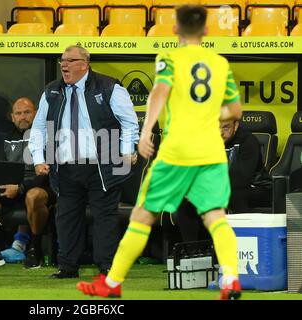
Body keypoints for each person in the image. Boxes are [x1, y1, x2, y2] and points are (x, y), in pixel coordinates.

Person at [76, 5, 243, 300]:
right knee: (216, 216)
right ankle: (230, 278)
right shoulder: (220, 64)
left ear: (176, 29)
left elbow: (160, 92)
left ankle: (112, 283)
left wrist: (145, 130)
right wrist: (209, 114)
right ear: (206, 30)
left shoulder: (170, 57)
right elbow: (235, 111)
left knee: (142, 216)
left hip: (177, 150)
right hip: (212, 152)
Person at [29, 45, 139, 279]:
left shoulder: (109, 87)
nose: (64, 65)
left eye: (70, 60)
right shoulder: (52, 91)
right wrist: (38, 158)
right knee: (66, 217)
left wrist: (127, 150)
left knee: (105, 216)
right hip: (67, 166)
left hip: (103, 165)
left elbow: (129, 123)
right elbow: (39, 127)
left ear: (84, 63)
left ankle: (107, 267)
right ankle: (68, 266)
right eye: (62, 61)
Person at [0, 97, 55, 269]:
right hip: (10, 191)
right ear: (12, 117)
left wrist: (21, 187)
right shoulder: (5, 138)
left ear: (36, 114)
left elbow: (49, 173)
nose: (22, 117)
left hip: (39, 189)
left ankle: (34, 249)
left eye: (27, 112)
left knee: (34, 195)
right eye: (18, 113)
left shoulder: (48, 136)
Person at [221, 118, 272, 212]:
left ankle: (239, 226)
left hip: (257, 186)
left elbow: (242, 177)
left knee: (235, 195)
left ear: (235, 126)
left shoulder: (248, 141)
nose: (220, 132)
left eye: (225, 128)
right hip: (224, 186)